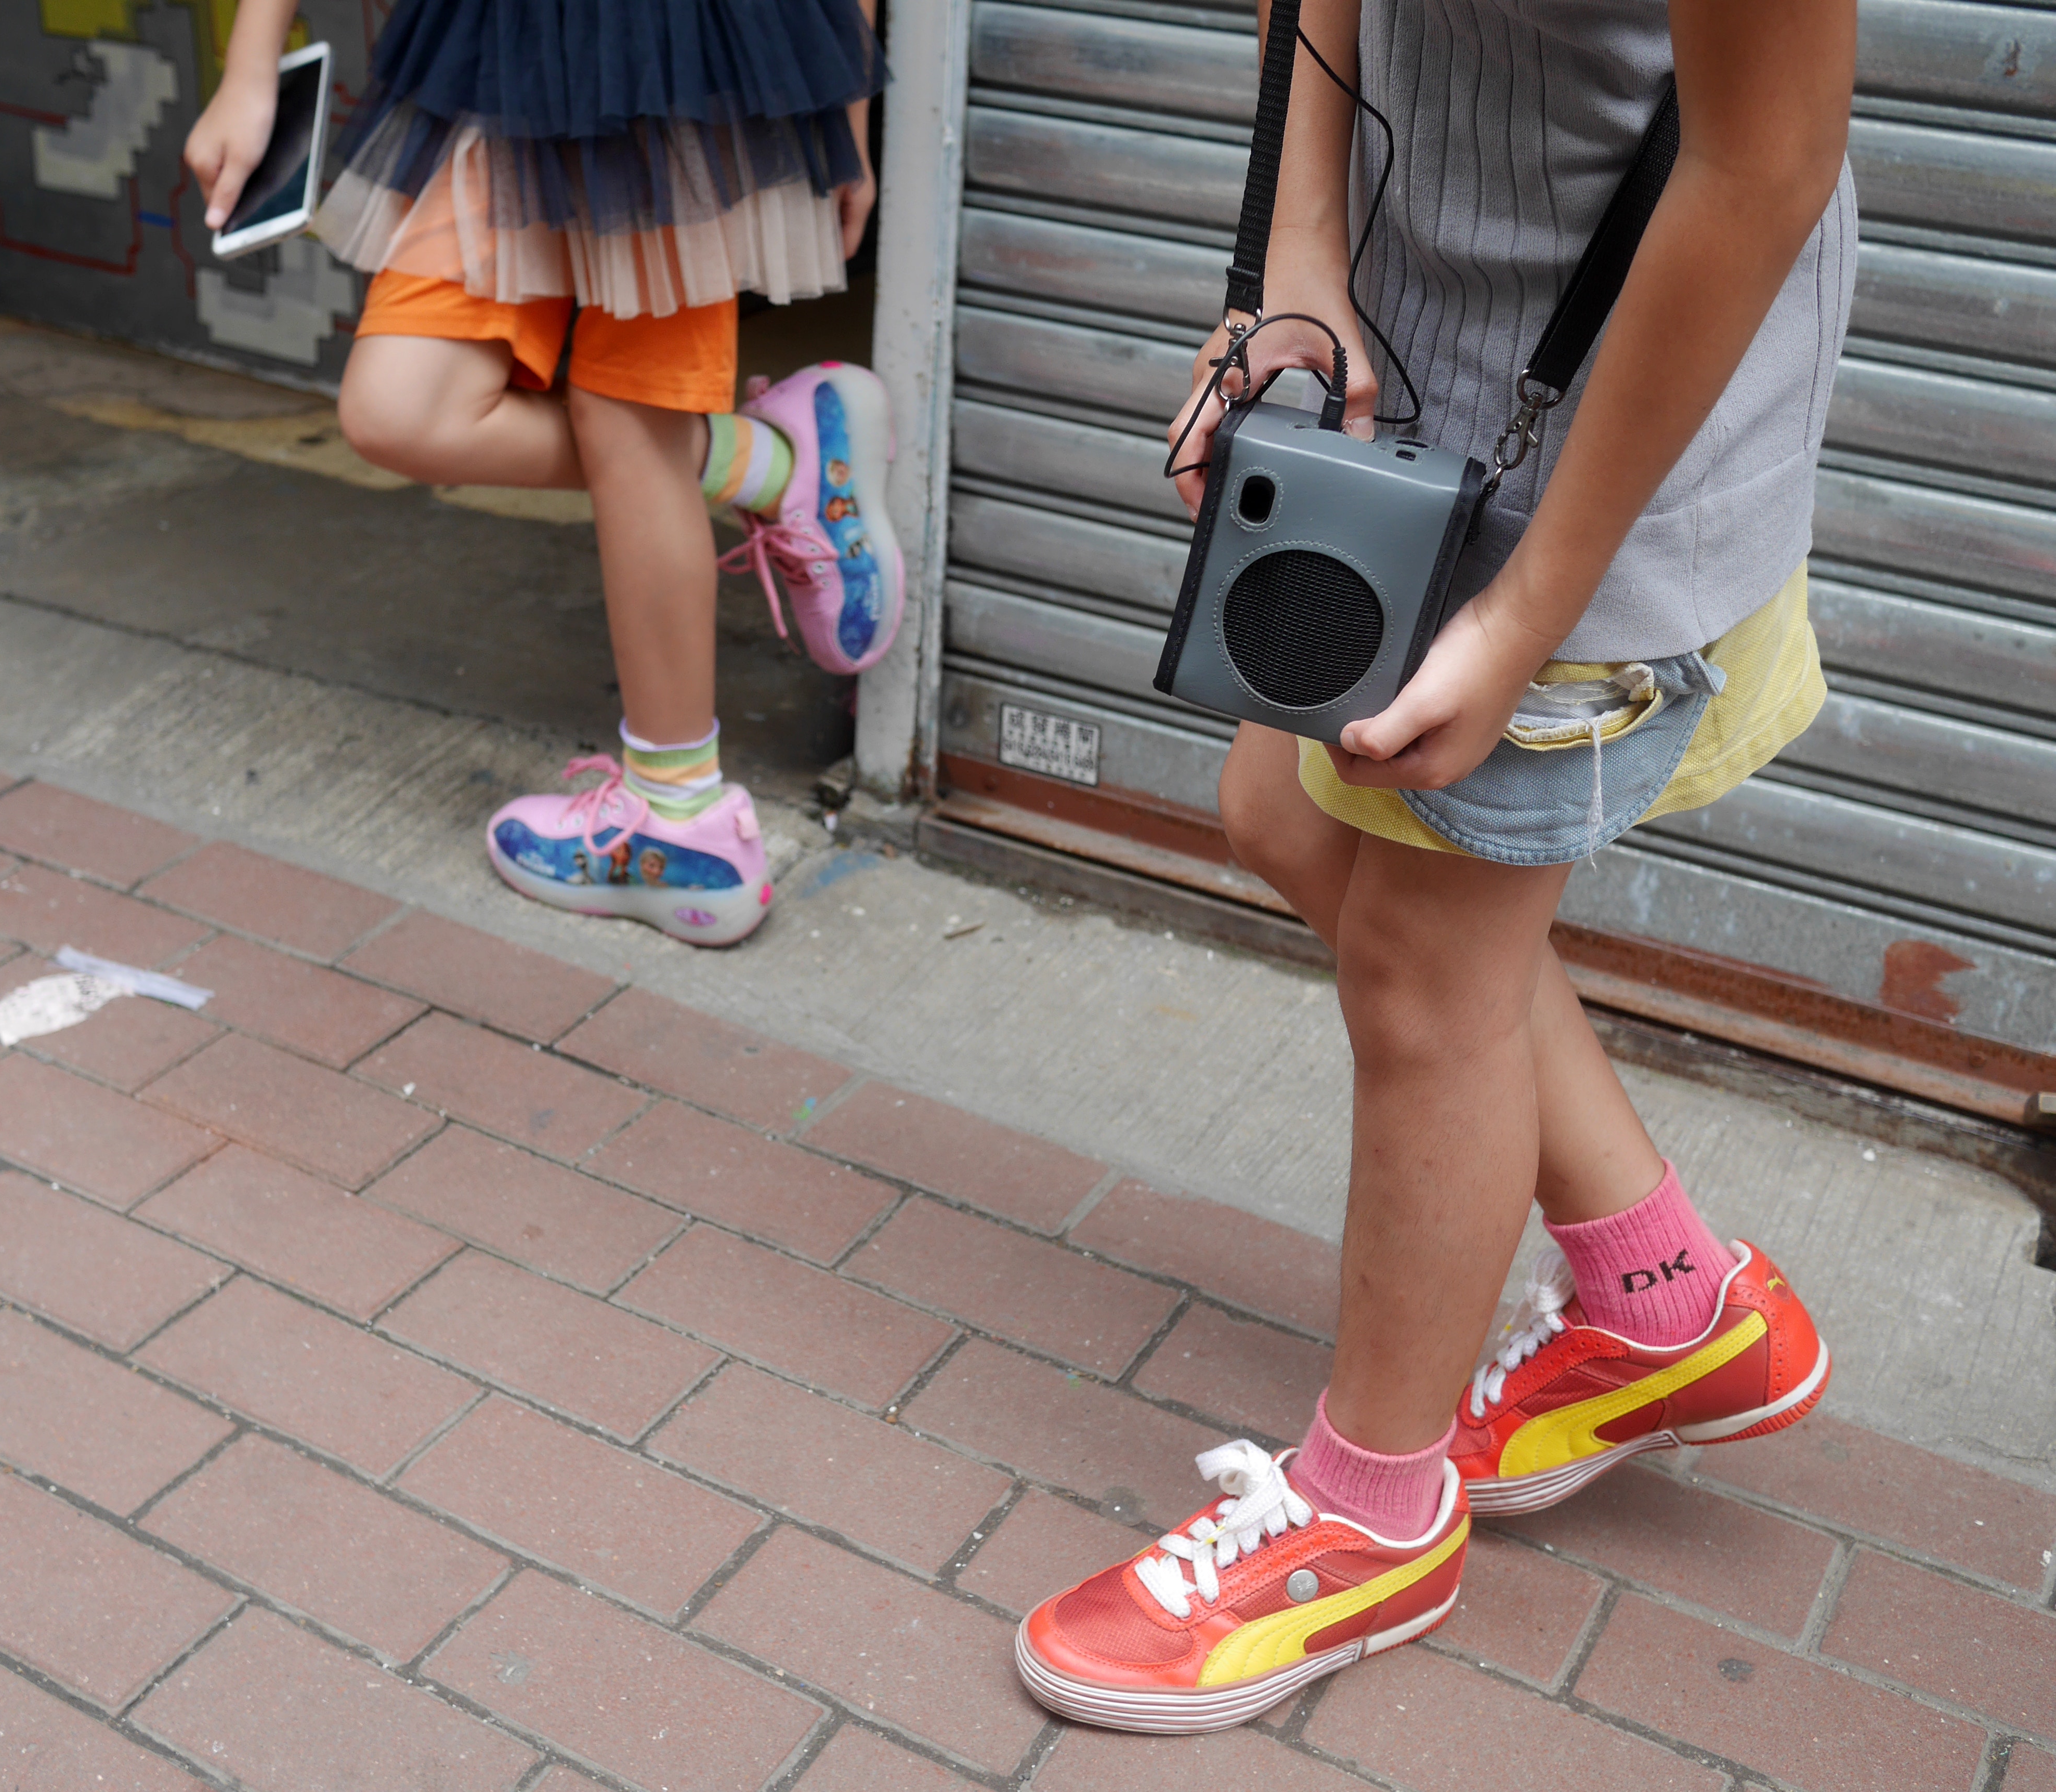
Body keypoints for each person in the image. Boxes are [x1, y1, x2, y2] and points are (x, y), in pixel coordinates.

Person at [1014, 0, 1851, 1731]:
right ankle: (1662, 1297)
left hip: (1615, 431)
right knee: (1284, 806)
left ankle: (1367, 1515)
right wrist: (1294, 265)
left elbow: (1765, 158)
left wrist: (1537, 600)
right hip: (1417, 351)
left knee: (1422, 960)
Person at [185, 0, 903, 949]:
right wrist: (249, 64)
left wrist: (843, 101)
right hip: (491, 42)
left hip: (676, 52)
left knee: (628, 418)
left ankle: (679, 815)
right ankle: (772, 462)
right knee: (401, 408)